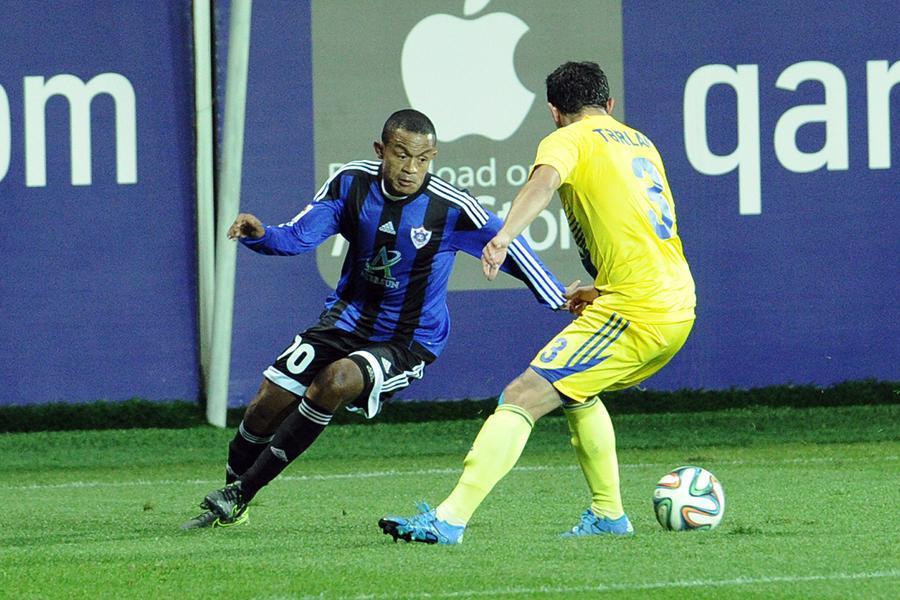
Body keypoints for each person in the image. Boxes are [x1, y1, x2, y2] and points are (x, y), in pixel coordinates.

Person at [182, 109, 567, 529]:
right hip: (346, 319)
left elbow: (508, 245)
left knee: (336, 381)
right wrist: (261, 235)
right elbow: (299, 235)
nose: (411, 168)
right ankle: (231, 501)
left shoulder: (452, 206)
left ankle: (241, 493)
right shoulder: (351, 183)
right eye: (401, 155)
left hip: (408, 340)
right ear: (381, 150)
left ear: (433, 157)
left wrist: (561, 298)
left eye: (422, 159)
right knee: (265, 404)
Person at [379, 62, 696, 544]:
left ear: (554, 111)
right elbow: (646, 231)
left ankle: (448, 520)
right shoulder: (640, 142)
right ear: (609, 104)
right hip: (674, 299)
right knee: (578, 391)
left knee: (521, 397)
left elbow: (542, 185)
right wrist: (601, 290)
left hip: (639, 310)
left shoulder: (568, 138)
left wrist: (504, 235)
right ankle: (609, 516)